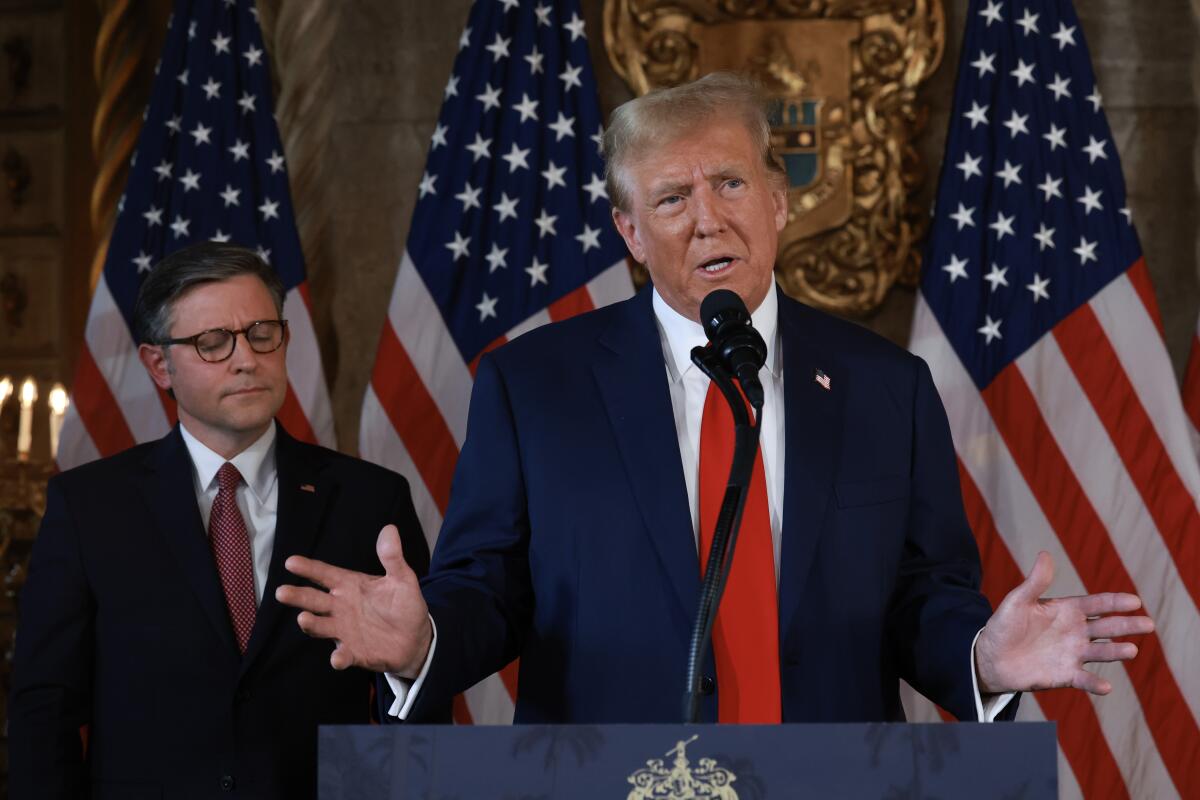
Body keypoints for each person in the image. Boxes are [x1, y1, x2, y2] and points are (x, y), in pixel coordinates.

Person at [276, 73, 1152, 725]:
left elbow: (924, 595)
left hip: (831, 781)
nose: (707, 218)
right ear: (629, 232)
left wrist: (981, 657)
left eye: (730, 184)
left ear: (776, 200)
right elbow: (492, 590)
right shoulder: (532, 386)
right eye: (670, 198)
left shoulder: (888, 386)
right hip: (611, 779)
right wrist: (422, 640)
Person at [9, 243, 431, 798]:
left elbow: (422, 710)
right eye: (212, 343)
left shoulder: (371, 499)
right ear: (159, 365)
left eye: (261, 333)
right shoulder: (89, 506)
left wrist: (416, 659)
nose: (245, 359)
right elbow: (45, 713)